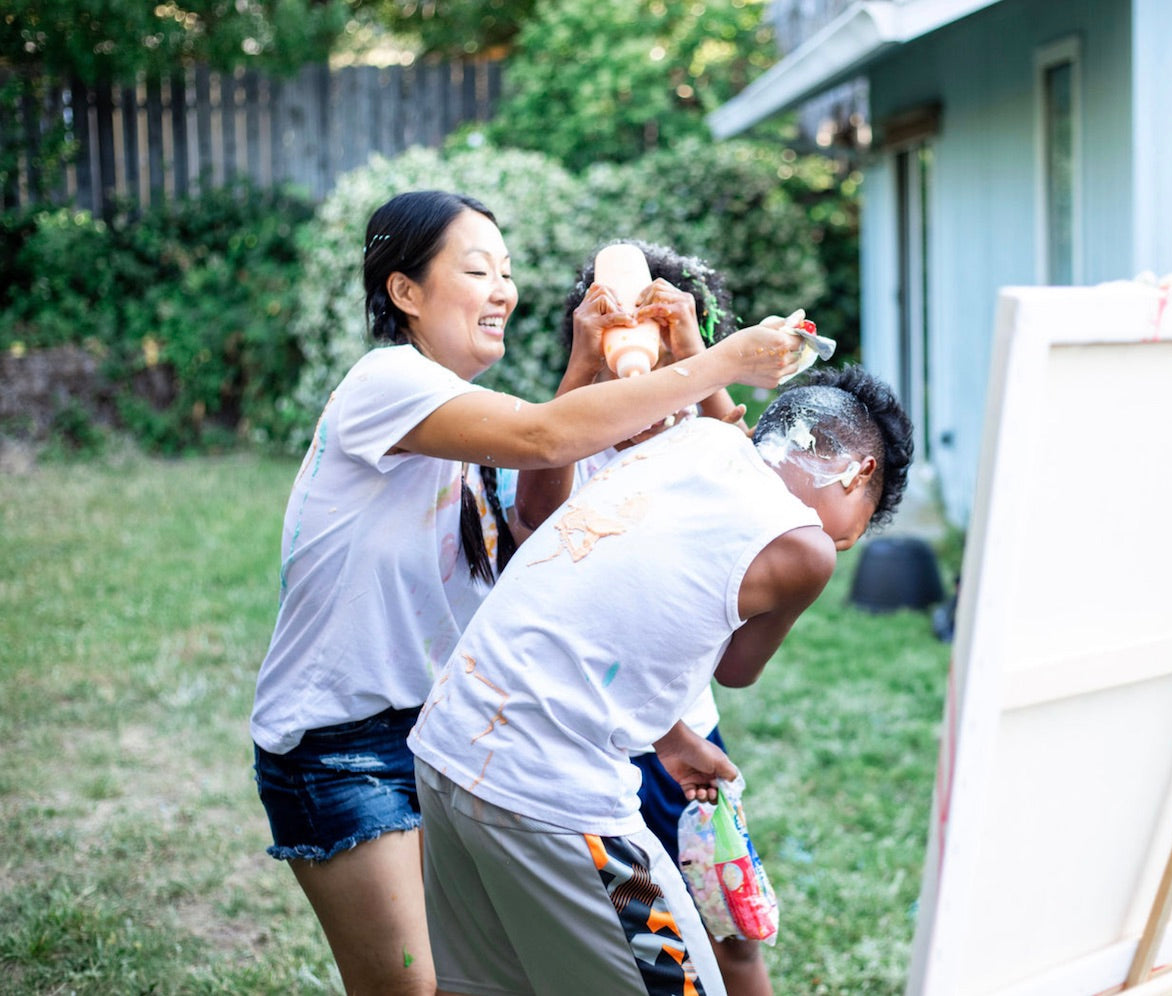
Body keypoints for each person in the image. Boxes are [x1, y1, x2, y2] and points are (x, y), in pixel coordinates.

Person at [249, 190, 805, 996]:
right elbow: (546, 435)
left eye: (507, 271)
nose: (504, 288)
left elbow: (531, 574)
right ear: (405, 292)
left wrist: (671, 738)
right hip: (343, 748)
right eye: (478, 269)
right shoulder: (387, 383)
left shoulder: (474, 427)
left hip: (442, 738)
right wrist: (721, 361)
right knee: (410, 988)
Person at [408, 364, 914, 996]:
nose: (844, 541)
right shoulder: (803, 547)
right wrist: (820, 550)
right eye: (860, 526)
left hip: (448, 742)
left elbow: (599, 618)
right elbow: (736, 669)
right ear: (862, 472)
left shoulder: (689, 442)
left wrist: (672, 740)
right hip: (551, 788)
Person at [514, 241, 771, 995]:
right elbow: (534, 517)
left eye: (662, 341)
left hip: (685, 736)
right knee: (636, 938)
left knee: (729, 923)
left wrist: (704, 359)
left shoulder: (705, 435)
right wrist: (582, 372)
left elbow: (762, 501)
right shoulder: (573, 432)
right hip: (596, 746)